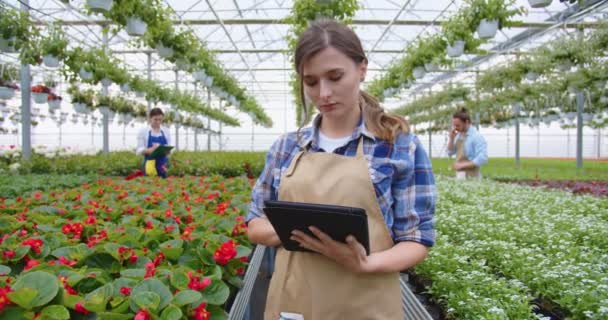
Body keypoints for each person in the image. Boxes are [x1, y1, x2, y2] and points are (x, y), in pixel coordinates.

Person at [246, 19, 436, 320]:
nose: (323, 93)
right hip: (295, 301)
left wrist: (364, 263)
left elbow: (416, 238)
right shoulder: (287, 148)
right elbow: (255, 222)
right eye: (311, 82)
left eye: (335, 77)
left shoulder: (397, 146)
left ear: (362, 69)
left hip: (366, 304)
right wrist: (306, 234)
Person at [447, 108, 488, 179]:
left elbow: (482, 158)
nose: (455, 128)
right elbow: (450, 152)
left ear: (466, 122)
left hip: (473, 175)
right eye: (454, 125)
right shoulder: (458, 135)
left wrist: (462, 165)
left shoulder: (476, 136)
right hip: (460, 174)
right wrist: (451, 138)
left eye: (458, 125)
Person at [135, 107, 171, 178]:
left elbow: (169, 147)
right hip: (149, 164)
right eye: (155, 119)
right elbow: (139, 150)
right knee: (150, 185)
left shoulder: (166, 131)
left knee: (164, 185)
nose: (158, 122)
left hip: (163, 165)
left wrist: (167, 150)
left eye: (160, 120)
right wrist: (152, 149)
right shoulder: (143, 131)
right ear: (150, 118)